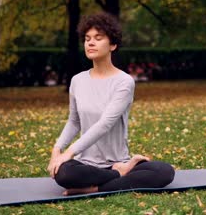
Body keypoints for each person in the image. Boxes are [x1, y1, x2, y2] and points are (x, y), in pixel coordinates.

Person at [47, 12, 175, 195]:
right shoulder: (77, 81)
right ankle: (119, 176)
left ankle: (94, 188)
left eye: (98, 38)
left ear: (113, 45)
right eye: (87, 38)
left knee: (164, 172)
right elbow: (74, 121)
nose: (90, 43)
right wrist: (57, 150)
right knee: (65, 174)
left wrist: (69, 153)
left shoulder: (124, 82)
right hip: (87, 165)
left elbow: (105, 124)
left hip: (117, 161)